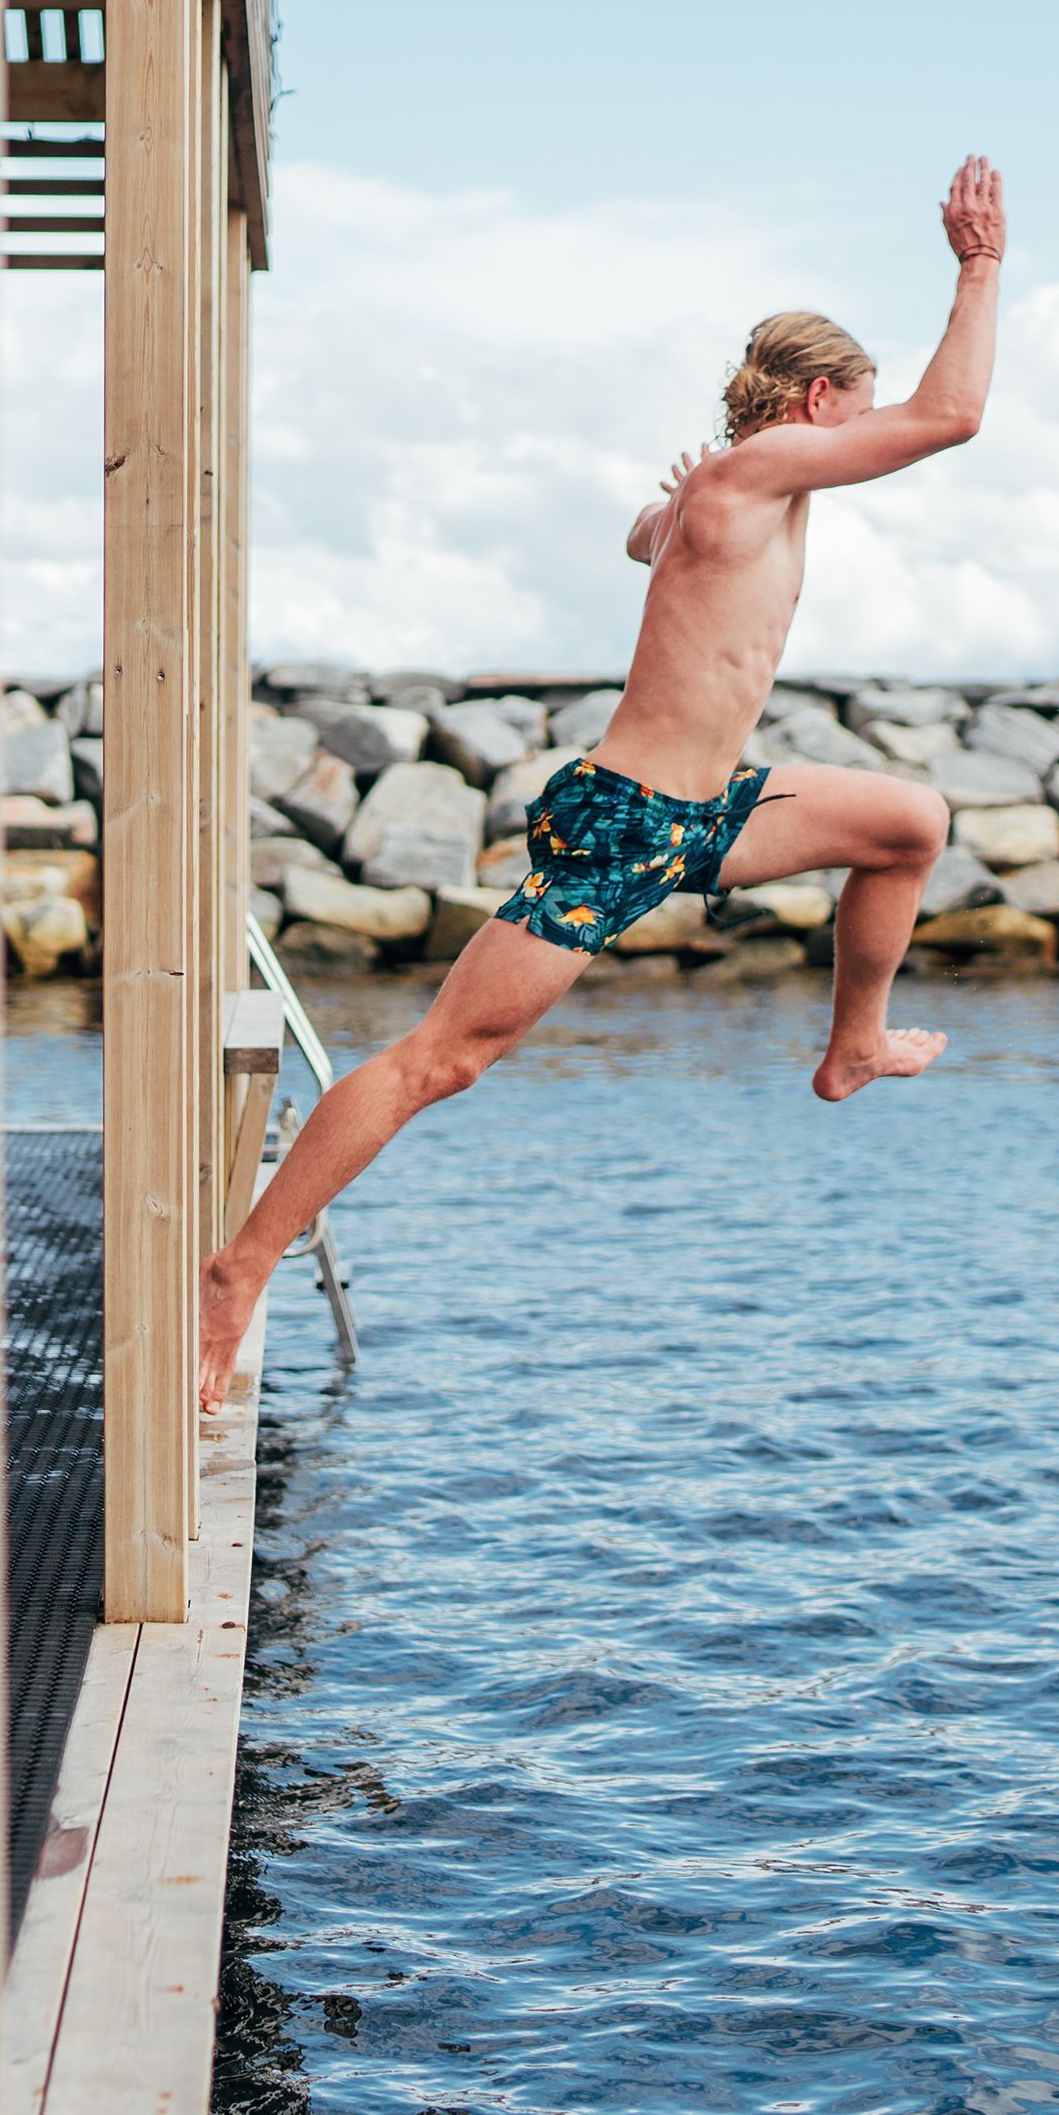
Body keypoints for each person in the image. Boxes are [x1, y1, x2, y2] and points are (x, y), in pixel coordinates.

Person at [197, 157, 1008, 1404]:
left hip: (705, 811)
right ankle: (241, 1264)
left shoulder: (723, 493)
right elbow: (952, 417)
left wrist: (664, 510)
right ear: (819, 400)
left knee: (909, 823)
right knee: (441, 1061)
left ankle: (851, 1047)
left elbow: (647, 538)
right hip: (626, 823)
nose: (866, 434)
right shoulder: (752, 476)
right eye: (858, 411)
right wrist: (980, 265)